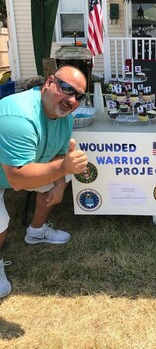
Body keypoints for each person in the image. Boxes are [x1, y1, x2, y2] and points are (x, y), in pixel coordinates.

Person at [0, 65, 88, 298]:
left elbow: (60, 155)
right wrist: (63, 169)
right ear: (49, 82)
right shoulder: (18, 113)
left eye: (79, 96)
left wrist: (60, 181)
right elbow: (18, 178)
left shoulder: (64, 117)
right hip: (10, 173)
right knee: (0, 222)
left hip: (24, 168)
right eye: (67, 89)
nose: (72, 99)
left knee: (57, 180)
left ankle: (36, 232)